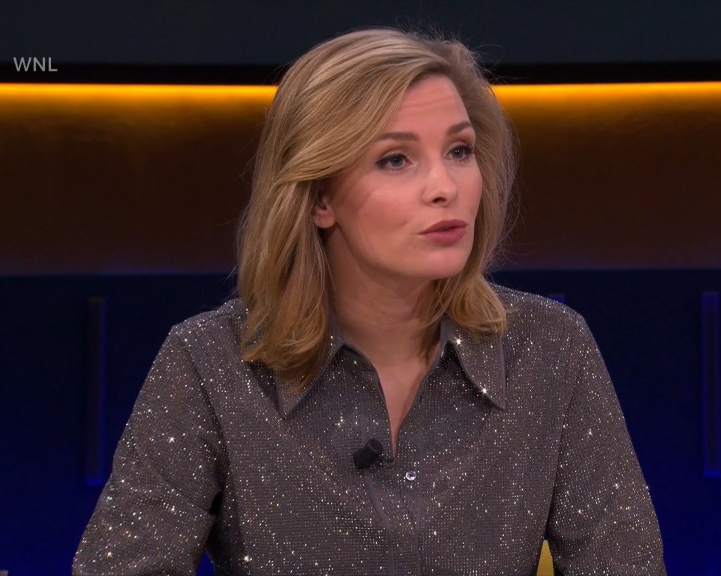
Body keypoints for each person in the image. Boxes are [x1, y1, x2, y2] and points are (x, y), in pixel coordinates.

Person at [73, 28, 665, 575]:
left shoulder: (551, 349)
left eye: (459, 151)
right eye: (395, 160)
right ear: (319, 198)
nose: (446, 188)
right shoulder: (211, 364)